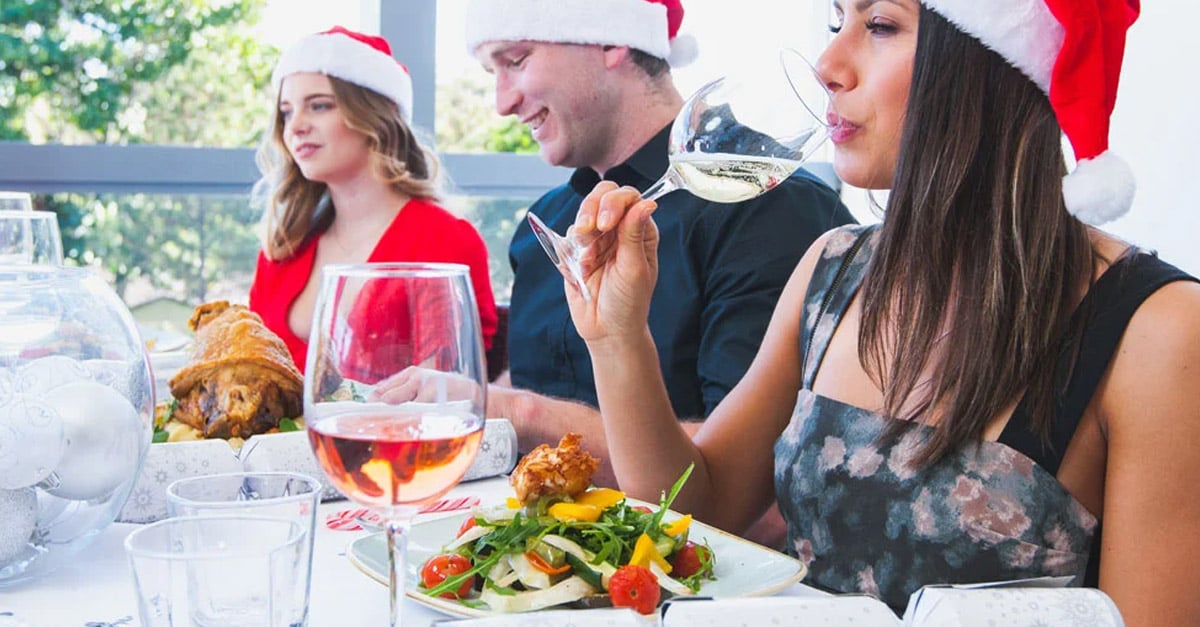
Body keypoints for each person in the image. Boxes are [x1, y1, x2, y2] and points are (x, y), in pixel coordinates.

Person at [565, 0, 1200, 623]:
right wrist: (617, 337)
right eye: (838, 22)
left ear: (997, 61)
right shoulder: (833, 268)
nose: (827, 63)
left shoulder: (1157, 330)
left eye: (880, 25)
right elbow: (693, 513)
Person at [465, 0, 855, 484]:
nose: (501, 103)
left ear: (609, 39)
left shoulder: (774, 211)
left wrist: (519, 413)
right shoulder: (545, 223)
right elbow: (534, 381)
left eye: (516, 61)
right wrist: (462, 399)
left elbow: (761, 484)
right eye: (491, 73)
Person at [248, 27, 498, 372]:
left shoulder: (444, 241)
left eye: (319, 106)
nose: (295, 127)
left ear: (374, 118)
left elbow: (446, 395)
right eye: (287, 112)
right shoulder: (282, 249)